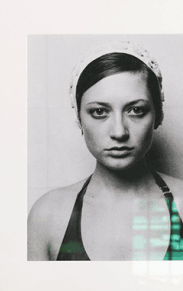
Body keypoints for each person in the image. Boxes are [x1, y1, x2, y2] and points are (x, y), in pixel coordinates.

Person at [27, 41, 183, 261]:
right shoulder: (48, 215)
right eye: (100, 111)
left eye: (136, 110)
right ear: (78, 118)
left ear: (158, 115)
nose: (119, 131)